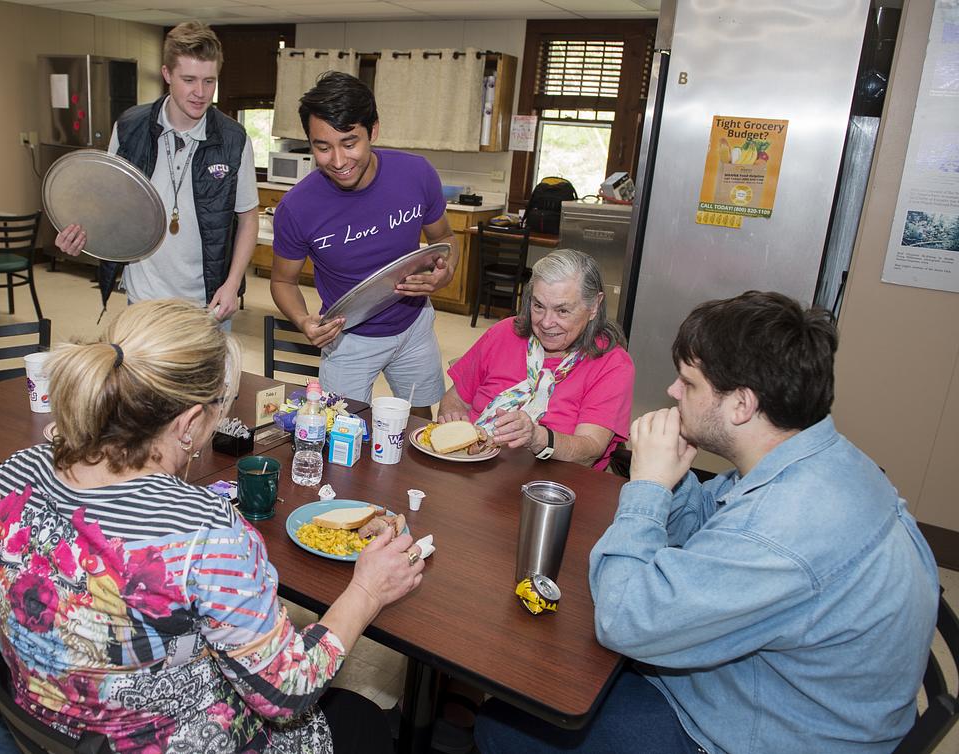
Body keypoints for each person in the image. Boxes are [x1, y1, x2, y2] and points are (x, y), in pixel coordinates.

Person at [0, 299, 424, 753]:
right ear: (190, 421)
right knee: (361, 719)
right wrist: (366, 592)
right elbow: (287, 694)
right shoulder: (206, 531)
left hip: (49, 729)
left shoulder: (15, 473)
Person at [476, 291, 939, 754]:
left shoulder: (779, 529)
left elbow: (621, 619)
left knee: (509, 720)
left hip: (763, 734)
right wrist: (675, 483)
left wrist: (650, 488)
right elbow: (709, 524)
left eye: (688, 383)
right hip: (784, 689)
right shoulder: (812, 455)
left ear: (741, 404)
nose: (673, 393)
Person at [271, 71, 455, 416]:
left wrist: (445, 274)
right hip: (347, 337)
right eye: (322, 147)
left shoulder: (417, 174)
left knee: (417, 422)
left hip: (414, 326)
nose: (338, 162)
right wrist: (302, 320)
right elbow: (283, 280)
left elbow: (443, 237)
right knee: (342, 432)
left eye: (349, 143)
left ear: (374, 131)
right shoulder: (297, 207)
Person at [55, 21, 259, 324]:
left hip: (207, 304)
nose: (200, 93)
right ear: (167, 74)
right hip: (143, 299)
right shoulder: (129, 127)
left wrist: (231, 286)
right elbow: (109, 203)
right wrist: (82, 233)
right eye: (189, 79)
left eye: (209, 81)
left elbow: (248, 219)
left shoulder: (234, 139)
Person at [437, 250, 633, 468]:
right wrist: (453, 423)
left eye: (562, 311)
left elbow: (590, 448)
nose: (546, 322)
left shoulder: (612, 364)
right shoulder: (504, 333)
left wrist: (537, 437)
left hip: (550, 487)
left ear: (594, 306)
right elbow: (455, 399)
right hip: (472, 468)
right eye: (538, 306)